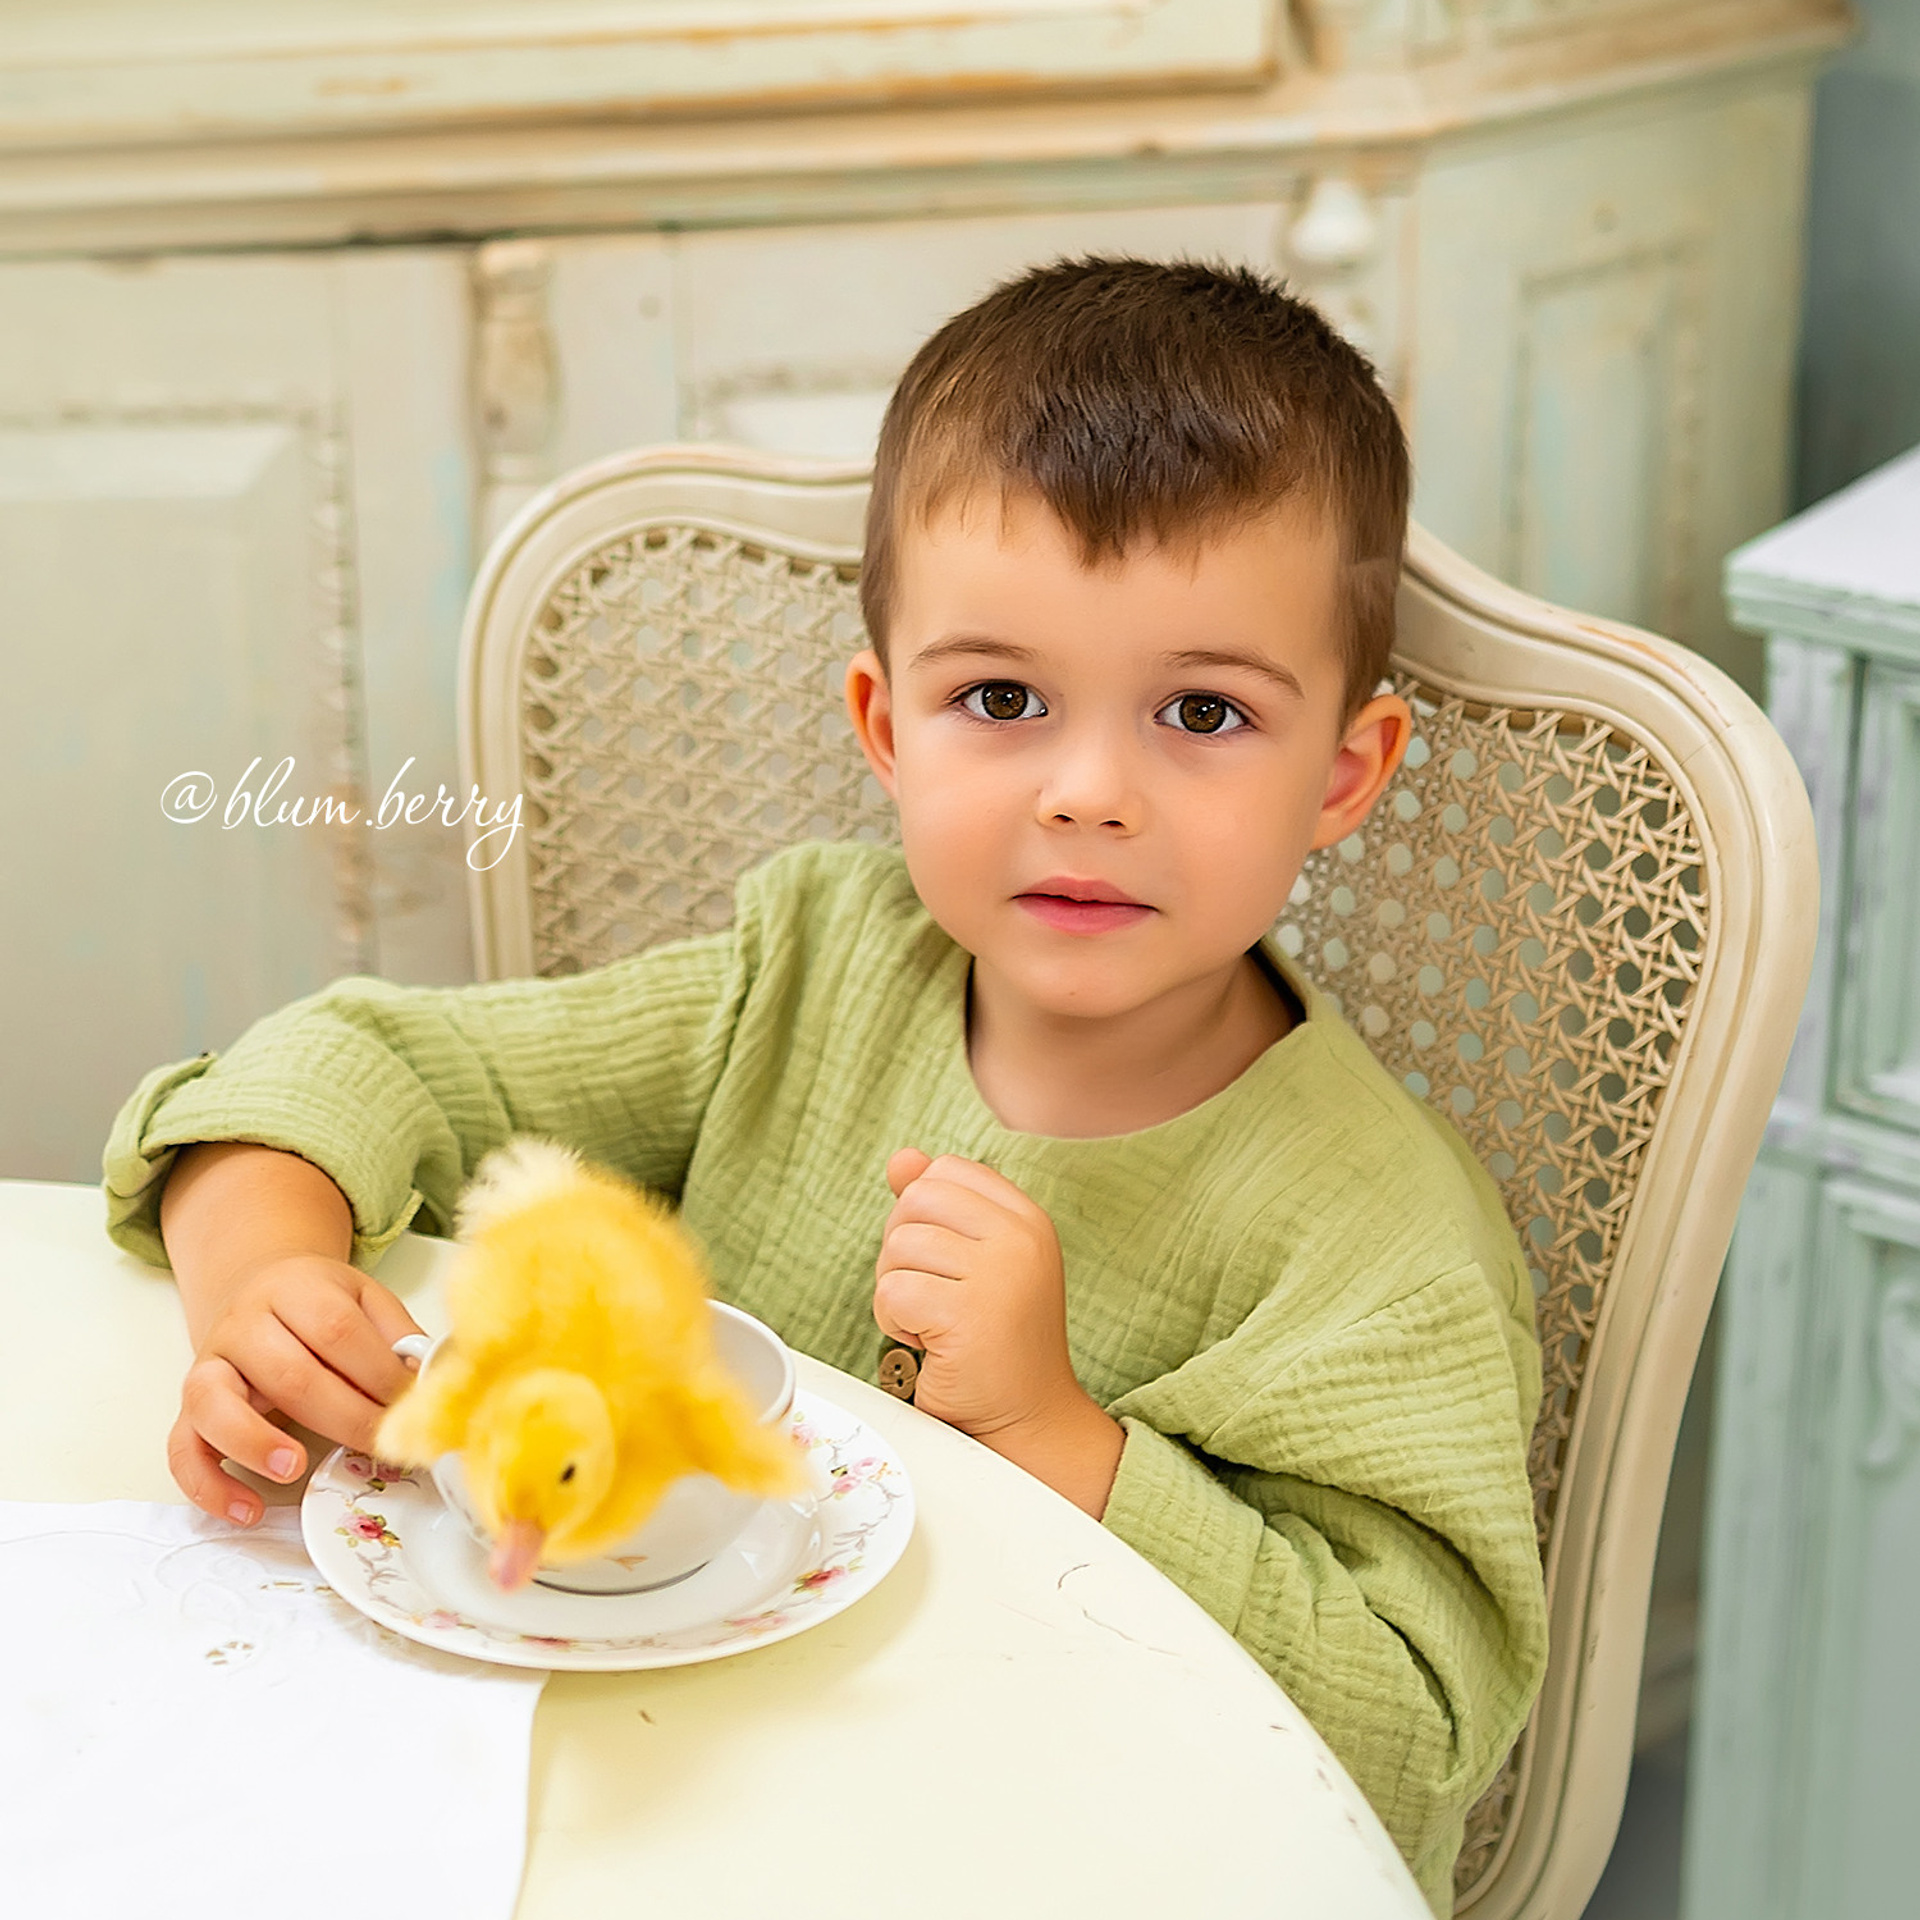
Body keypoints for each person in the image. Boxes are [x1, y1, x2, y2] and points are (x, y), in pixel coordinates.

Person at [103, 257, 1546, 1914]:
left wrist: (1060, 1436)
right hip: (673, 1795)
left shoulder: (1379, 1232)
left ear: (1343, 774)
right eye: (1001, 699)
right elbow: (346, 1062)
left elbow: (1413, 1745)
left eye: (1202, 711)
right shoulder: (805, 972)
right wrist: (265, 1278)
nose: (1090, 793)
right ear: (885, 723)